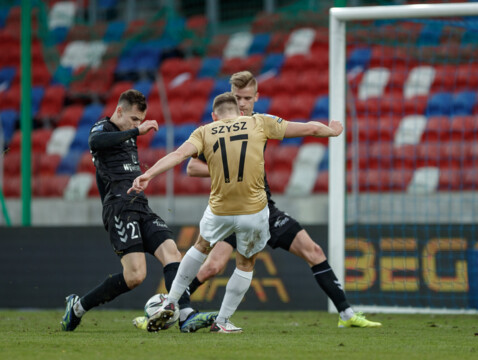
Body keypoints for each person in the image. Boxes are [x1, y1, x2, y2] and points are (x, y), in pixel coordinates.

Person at [133, 71, 381, 329]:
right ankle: (177, 308)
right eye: (237, 97)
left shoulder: (247, 124)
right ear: (230, 97)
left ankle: (347, 314)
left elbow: (180, 156)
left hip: (263, 207)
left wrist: (149, 174)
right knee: (212, 268)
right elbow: (192, 168)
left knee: (314, 251)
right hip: (240, 208)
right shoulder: (233, 128)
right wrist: (229, 170)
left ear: (256, 97)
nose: (242, 103)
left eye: (247, 98)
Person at [60, 89, 216, 333]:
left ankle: (186, 315)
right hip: (119, 208)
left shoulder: (127, 131)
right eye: (134, 119)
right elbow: (95, 143)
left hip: (141, 205)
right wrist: (135, 131)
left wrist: (134, 131)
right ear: (119, 111)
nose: (137, 125)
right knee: (135, 276)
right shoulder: (102, 128)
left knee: (172, 252)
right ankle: (78, 307)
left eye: (140, 121)